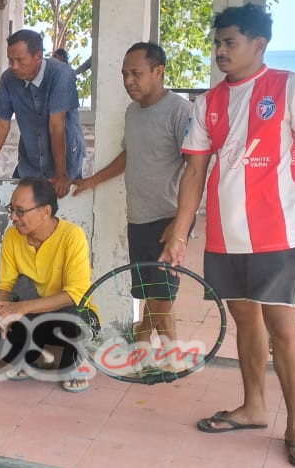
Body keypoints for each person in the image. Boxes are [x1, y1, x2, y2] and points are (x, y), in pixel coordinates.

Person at [160, 4, 295, 468]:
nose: (220, 51)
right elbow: (195, 170)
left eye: (230, 42)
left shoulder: (290, 87)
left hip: (276, 234)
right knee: (245, 323)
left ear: (259, 44)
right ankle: (254, 407)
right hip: (223, 236)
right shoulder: (207, 102)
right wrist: (180, 233)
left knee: (282, 329)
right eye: (217, 43)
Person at [72, 42, 193, 368]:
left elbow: (195, 168)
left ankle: (167, 362)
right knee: (151, 293)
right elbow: (130, 155)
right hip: (138, 217)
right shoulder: (132, 112)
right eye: (125, 74)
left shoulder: (180, 111)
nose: (128, 81)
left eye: (136, 73)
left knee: (161, 297)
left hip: (168, 218)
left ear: (158, 71)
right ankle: (142, 335)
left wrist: (179, 225)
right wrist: (92, 181)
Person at [0, 178, 98, 392]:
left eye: (20, 211)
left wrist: (20, 308)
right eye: (11, 209)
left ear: (45, 211)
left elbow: (75, 294)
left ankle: (74, 364)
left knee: (74, 321)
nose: (12, 217)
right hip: (35, 318)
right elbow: (6, 283)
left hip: (71, 316)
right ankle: (29, 359)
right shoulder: (12, 235)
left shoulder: (72, 236)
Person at [0, 30, 86, 198]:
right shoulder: (8, 79)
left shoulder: (61, 74)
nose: (14, 66)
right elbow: (1, 124)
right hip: (30, 166)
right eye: (10, 60)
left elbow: (56, 125)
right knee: (19, 214)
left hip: (66, 166)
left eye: (20, 60)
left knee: (63, 221)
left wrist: (61, 175)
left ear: (38, 56)